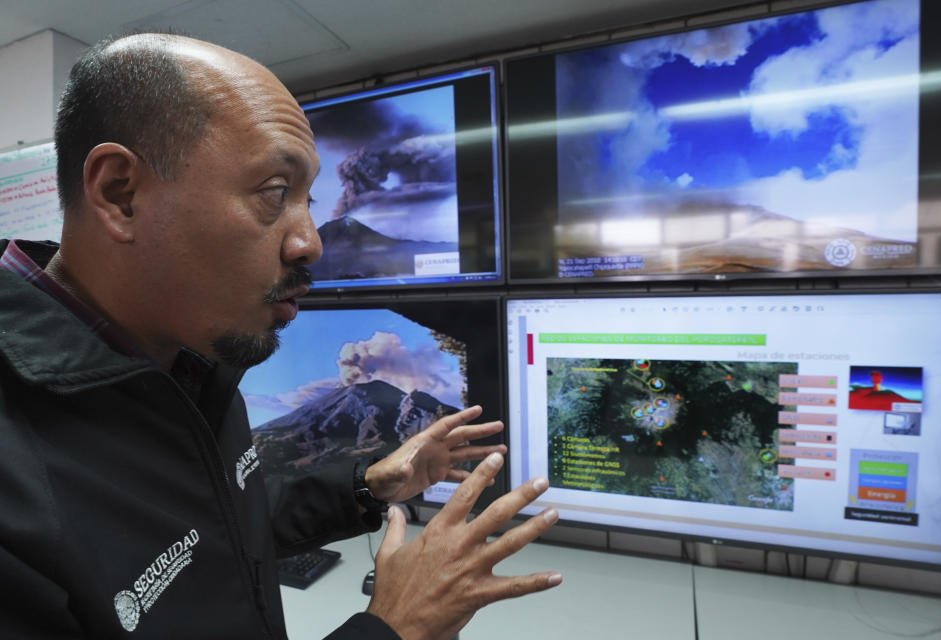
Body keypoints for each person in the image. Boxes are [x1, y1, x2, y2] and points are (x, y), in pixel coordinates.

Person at [0, 33, 561, 639]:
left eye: (310, 199)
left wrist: (367, 487)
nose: (311, 243)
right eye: (274, 192)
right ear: (120, 193)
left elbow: (209, 530)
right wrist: (396, 628)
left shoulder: (192, 363)